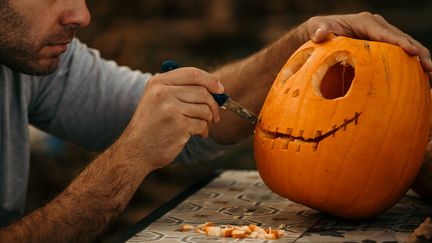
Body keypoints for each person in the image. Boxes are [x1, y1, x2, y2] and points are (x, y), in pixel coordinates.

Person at [0, 0, 431, 242]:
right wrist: (129, 158)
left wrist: (300, 43)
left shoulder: (37, 59)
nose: (81, 14)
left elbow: (200, 120)